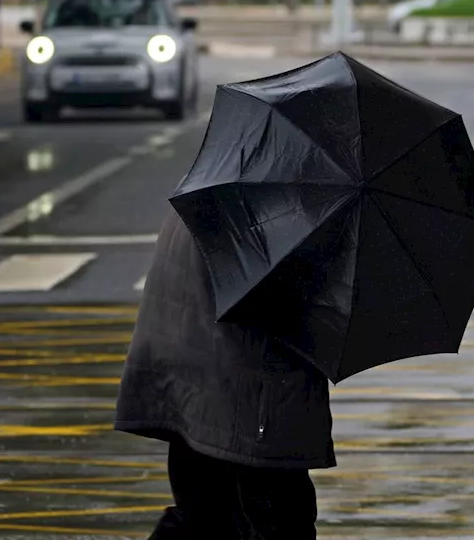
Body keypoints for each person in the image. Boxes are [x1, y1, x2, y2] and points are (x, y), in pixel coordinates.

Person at [116, 210, 332, 539]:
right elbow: (290, 299)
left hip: (198, 395)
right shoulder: (277, 210)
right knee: (273, 522)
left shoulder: (223, 188)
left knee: (204, 520)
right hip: (248, 407)